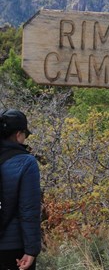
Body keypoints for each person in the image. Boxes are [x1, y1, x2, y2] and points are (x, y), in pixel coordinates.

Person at [0, 109, 41, 270]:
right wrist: (31, 250)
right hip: (14, 247)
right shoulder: (26, 162)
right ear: (19, 134)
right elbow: (28, 210)